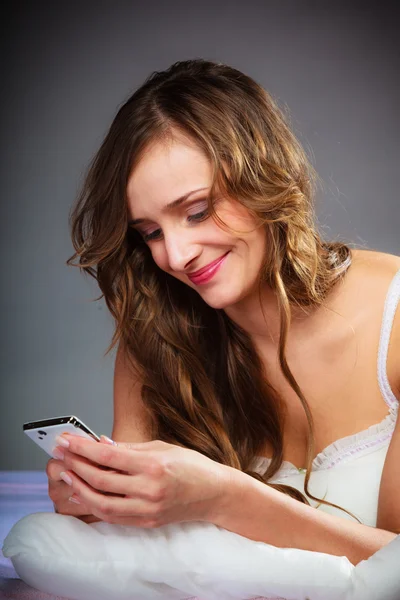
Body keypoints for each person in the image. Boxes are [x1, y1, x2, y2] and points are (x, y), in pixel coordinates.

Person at [47, 59, 400, 566]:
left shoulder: (394, 317)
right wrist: (92, 506)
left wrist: (224, 498)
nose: (175, 254)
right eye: (149, 232)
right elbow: (136, 552)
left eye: (196, 211)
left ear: (263, 174)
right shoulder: (158, 338)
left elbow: (395, 565)